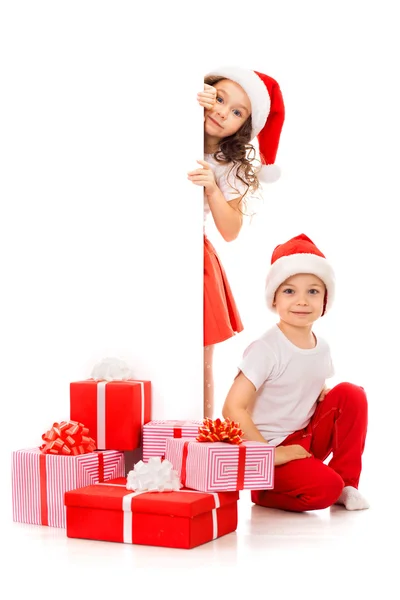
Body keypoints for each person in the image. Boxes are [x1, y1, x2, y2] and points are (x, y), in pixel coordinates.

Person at [222, 233, 369, 512]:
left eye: (313, 291)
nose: (302, 301)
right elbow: (232, 407)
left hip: (305, 437)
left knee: (352, 394)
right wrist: (271, 453)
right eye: (290, 291)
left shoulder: (322, 347)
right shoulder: (266, 348)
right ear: (274, 299)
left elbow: (308, 387)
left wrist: (322, 395)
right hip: (271, 446)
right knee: (325, 488)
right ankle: (264, 491)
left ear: (325, 300)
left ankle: (347, 484)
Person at [188, 66, 285, 418]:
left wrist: (212, 187)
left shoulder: (228, 166)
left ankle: (200, 429)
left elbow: (230, 231)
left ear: (244, 126)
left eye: (236, 112)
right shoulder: (179, 119)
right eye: (220, 98)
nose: (221, 113)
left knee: (200, 353)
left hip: (192, 257)